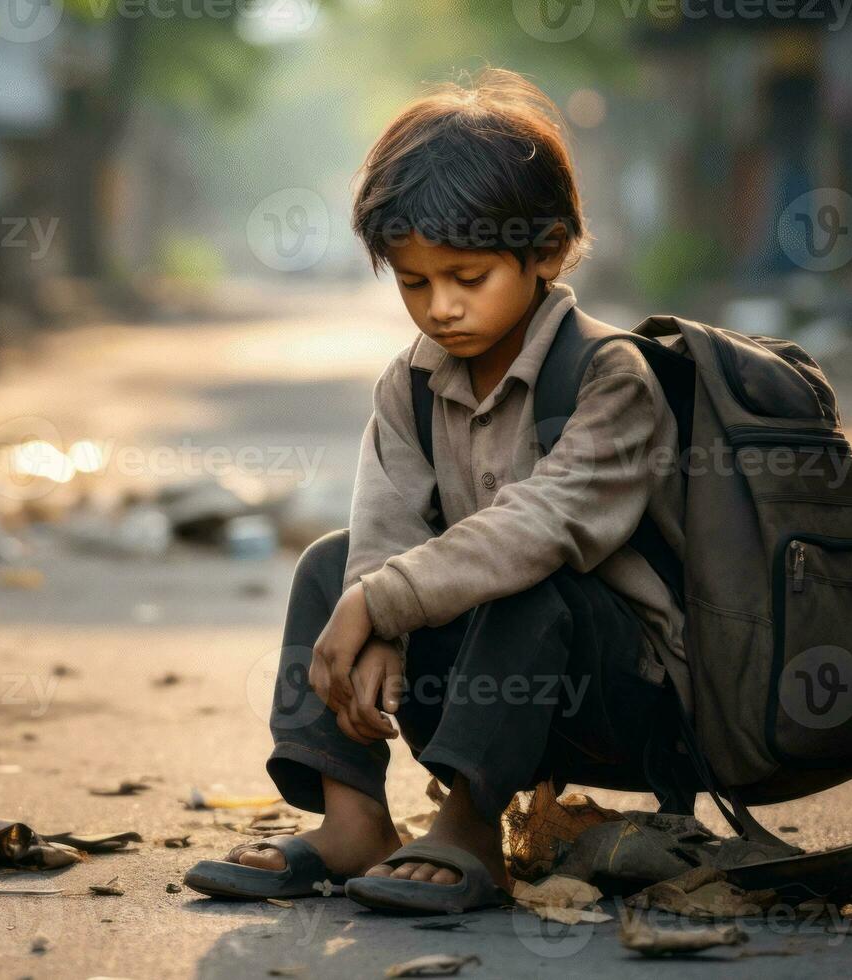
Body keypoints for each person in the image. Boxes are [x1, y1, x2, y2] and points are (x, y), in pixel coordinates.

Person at [185, 68, 691, 914]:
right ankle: (353, 823)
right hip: (482, 692)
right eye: (415, 282)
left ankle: (468, 828)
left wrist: (387, 602)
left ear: (547, 251)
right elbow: (383, 520)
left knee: (529, 582)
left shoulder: (610, 377)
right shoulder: (410, 386)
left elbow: (542, 527)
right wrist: (371, 605)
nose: (441, 307)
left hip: (618, 700)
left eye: (467, 276)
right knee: (329, 564)